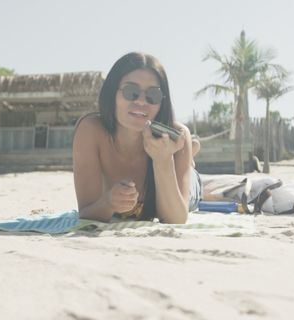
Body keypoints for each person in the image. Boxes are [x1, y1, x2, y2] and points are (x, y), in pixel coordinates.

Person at [72, 52, 202, 223]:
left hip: (188, 186)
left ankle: (189, 162)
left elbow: (176, 219)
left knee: (195, 190)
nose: (141, 101)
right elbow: (86, 212)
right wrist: (108, 203)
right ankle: (190, 157)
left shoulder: (175, 139)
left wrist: (163, 160)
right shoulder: (91, 131)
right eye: (130, 91)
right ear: (112, 94)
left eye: (153, 95)